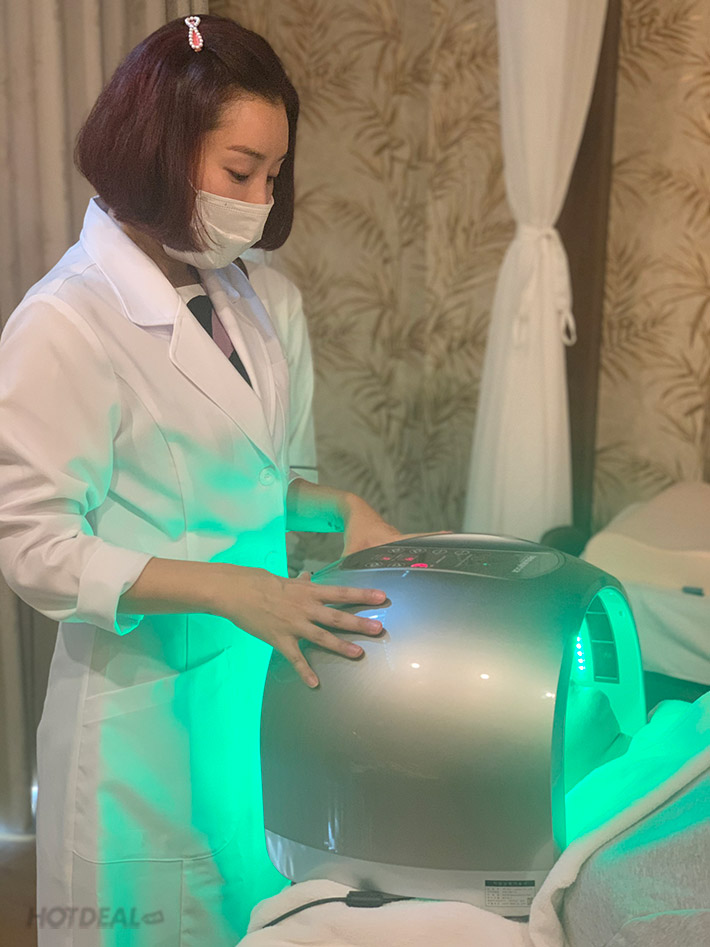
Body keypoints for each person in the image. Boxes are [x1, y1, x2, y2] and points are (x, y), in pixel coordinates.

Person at [0, 15, 415, 945]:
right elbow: (33, 546)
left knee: (248, 914)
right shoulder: (66, 322)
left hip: (249, 696)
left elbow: (248, 481)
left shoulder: (257, 297)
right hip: (137, 731)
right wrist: (232, 589)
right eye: (241, 172)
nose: (261, 203)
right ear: (160, 149)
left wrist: (337, 509)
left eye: (275, 175)